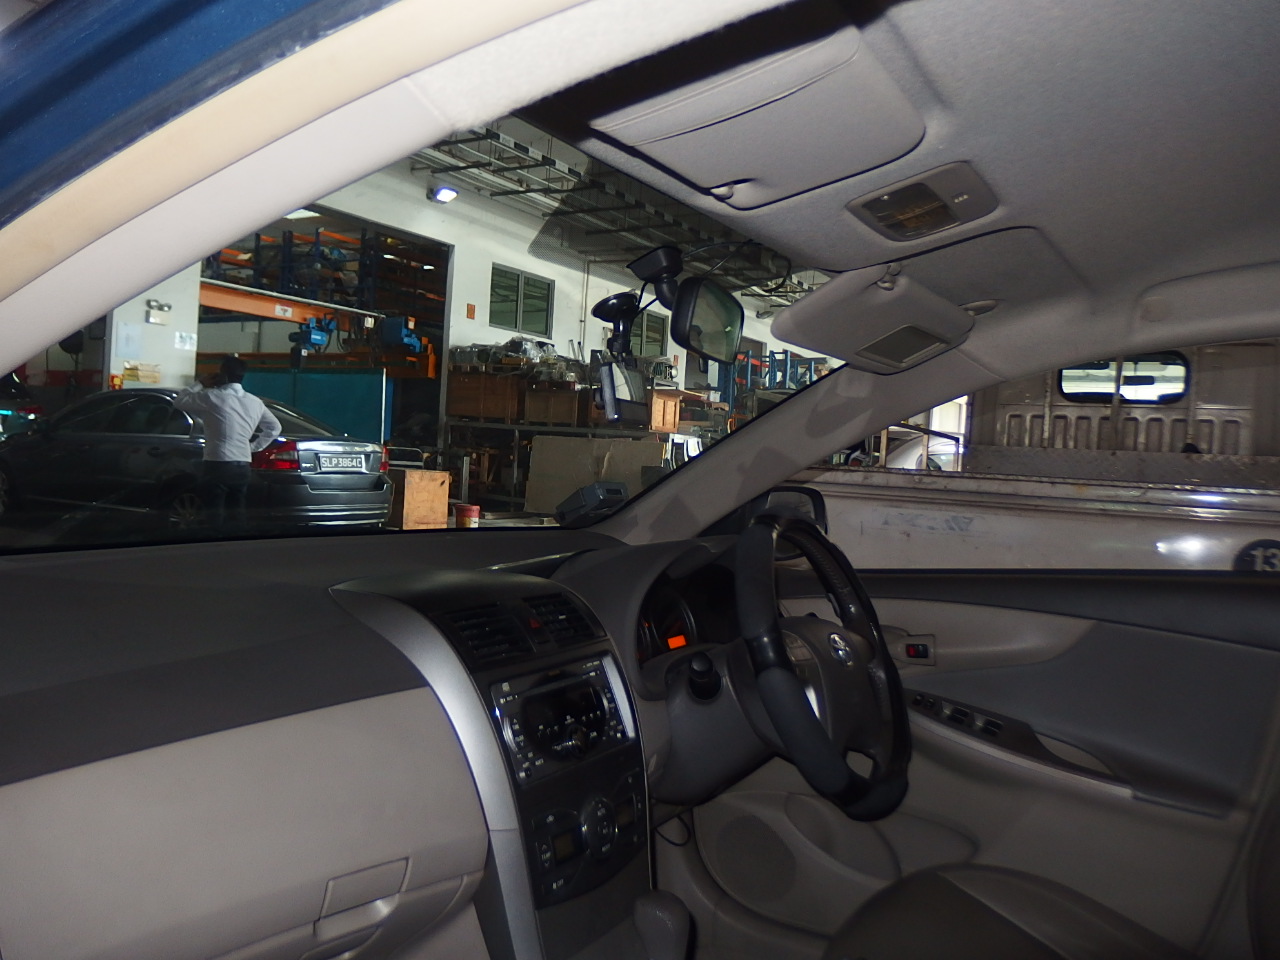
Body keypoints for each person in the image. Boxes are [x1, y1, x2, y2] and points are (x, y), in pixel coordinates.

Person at [175, 355, 281, 531]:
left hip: (218, 463)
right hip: (243, 465)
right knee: (237, 512)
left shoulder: (212, 397)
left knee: (214, 513)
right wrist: (252, 447)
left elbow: (180, 401)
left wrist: (200, 383)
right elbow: (274, 427)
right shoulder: (255, 402)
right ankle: (235, 543)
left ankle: (214, 543)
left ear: (222, 375)